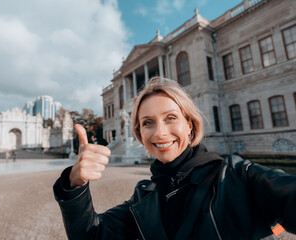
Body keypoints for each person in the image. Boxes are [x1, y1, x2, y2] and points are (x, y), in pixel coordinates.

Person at [53, 77, 296, 239]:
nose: (159, 133)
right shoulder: (144, 196)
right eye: (148, 123)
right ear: (140, 133)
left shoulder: (235, 176)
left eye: (170, 118)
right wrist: (75, 185)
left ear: (190, 125)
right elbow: (91, 235)